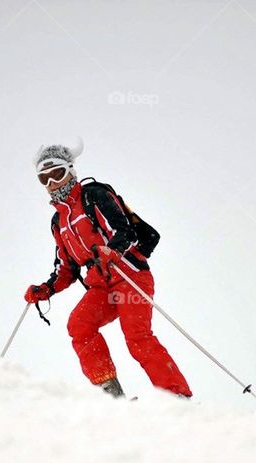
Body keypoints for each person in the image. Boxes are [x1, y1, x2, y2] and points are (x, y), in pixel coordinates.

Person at [24, 139, 192, 398]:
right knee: (79, 324)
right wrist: (46, 289)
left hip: (129, 276)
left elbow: (124, 230)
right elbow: (66, 267)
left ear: (70, 170)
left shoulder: (94, 195)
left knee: (137, 337)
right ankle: (111, 394)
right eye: (43, 179)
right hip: (101, 286)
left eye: (56, 173)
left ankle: (176, 397)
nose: (51, 183)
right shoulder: (58, 221)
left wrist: (113, 250)